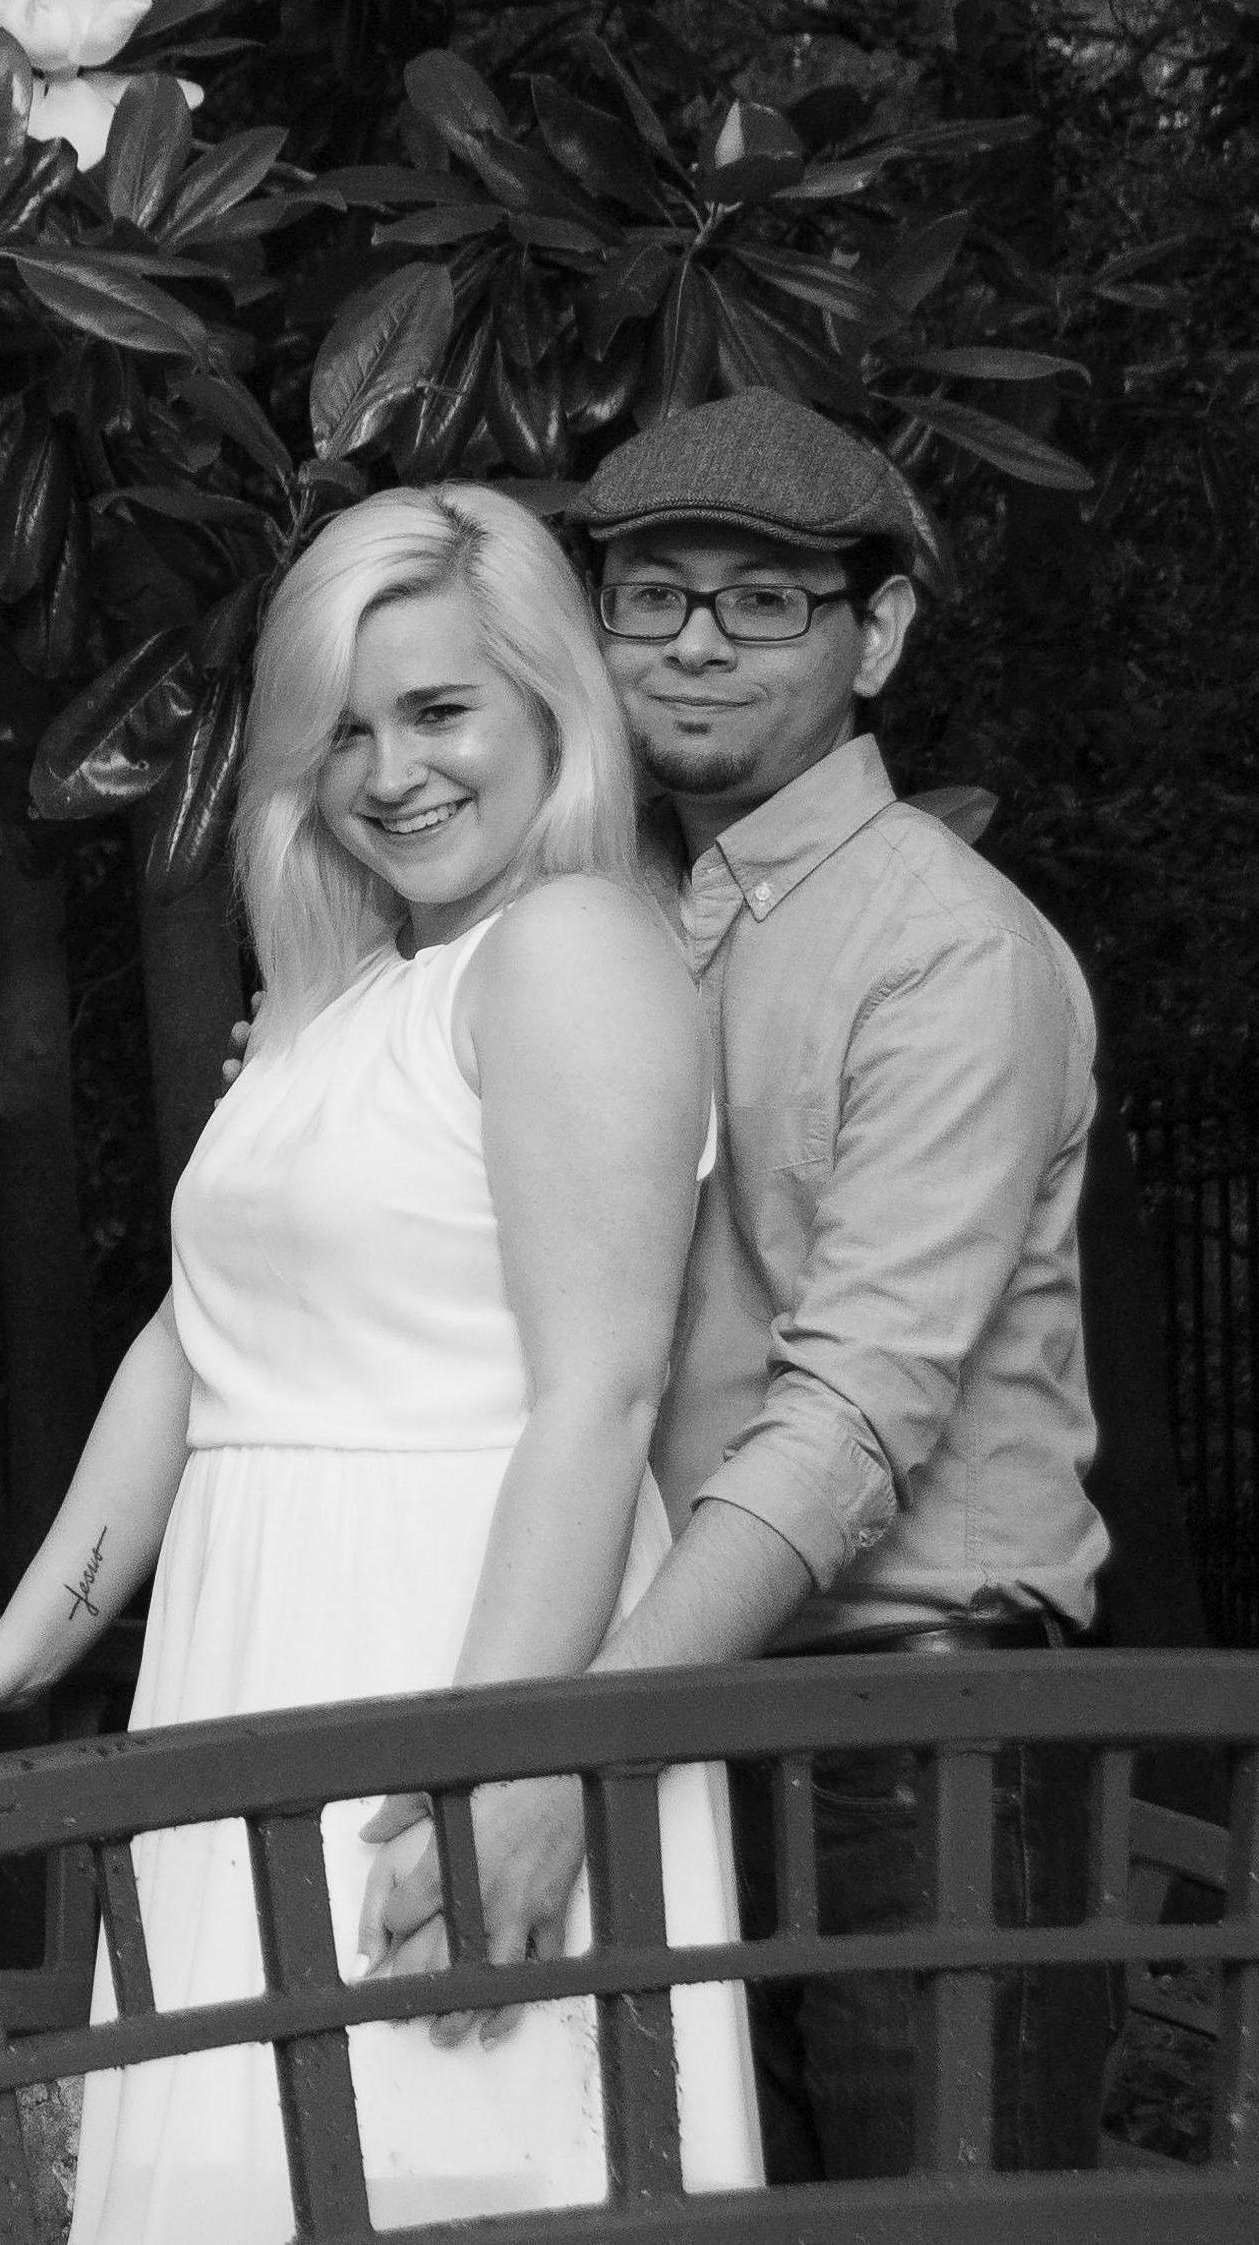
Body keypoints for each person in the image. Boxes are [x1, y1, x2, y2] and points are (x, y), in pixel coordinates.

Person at [0, 483, 762, 2239]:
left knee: (443, 2154)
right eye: (338, 729)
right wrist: (23, 1641)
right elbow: (200, 1339)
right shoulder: (336, 1000)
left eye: (437, 708)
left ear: (549, 703)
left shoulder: (569, 949)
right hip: (253, 1640)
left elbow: (601, 1392)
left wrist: (501, 1770)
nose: (389, 771)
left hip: (453, 1638)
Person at [355, 388, 1119, 2181]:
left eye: (763, 599)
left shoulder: (947, 949)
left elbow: (854, 1413)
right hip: (697, 1699)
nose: (693, 642)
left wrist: (568, 1746)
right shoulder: (595, 922)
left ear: (878, 633)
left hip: (913, 1729)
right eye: (650, 594)